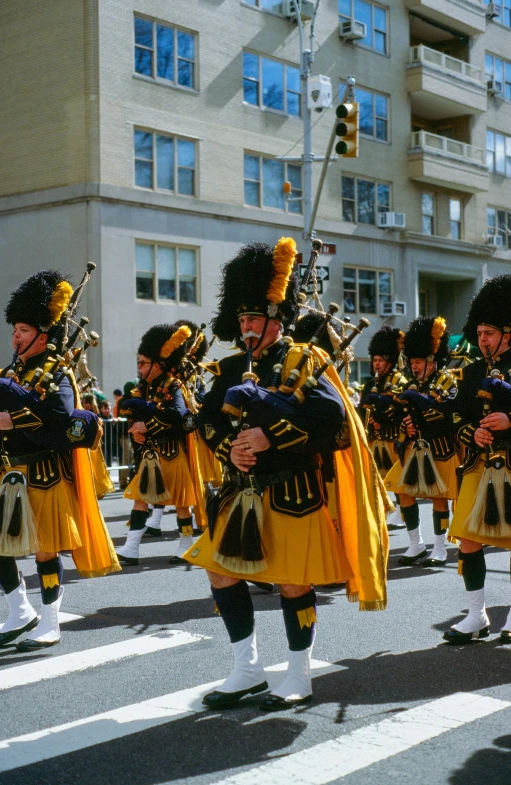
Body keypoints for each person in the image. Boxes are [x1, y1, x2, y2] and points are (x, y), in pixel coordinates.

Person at [183, 238, 389, 711]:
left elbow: (330, 421)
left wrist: (269, 437)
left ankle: (298, 674)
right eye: (242, 319)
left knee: (293, 584)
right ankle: (247, 669)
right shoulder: (231, 366)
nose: (247, 326)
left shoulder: (304, 360)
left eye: (255, 318)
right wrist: (230, 448)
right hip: (239, 492)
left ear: (277, 319)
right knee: (220, 574)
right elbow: (207, 419)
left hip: (293, 491)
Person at [0, 270, 120, 650]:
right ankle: (20, 612)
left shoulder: (58, 374)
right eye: (15, 329)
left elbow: (61, 417)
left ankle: (49, 622)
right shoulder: (14, 370)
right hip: (10, 469)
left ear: (43, 337)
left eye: (24, 329)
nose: (16, 336)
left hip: (44, 473)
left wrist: (12, 417)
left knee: (46, 550)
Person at [443, 275, 511, 643]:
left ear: (508, 333)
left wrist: (509, 421)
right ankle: (476, 614)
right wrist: (474, 433)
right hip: (478, 465)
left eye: (489, 333)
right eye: (480, 332)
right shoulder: (470, 373)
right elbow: (457, 415)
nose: (482, 339)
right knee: (468, 539)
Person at [116, 322, 205, 565]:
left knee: (180, 504)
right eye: (138, 362)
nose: (139, 367)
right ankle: (131, 548)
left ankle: (186, 546)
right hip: (150, 453)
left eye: (143, 363)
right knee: (140, 498)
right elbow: (139, 415)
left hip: (170, 452)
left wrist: (148, 426)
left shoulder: (172, 385)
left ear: (157, 364)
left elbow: (177, 414)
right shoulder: (144, 388)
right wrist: (136, 430)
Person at [384, 317, 460, 566]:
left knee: (438, 497)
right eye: (412, 361)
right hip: (412, 448)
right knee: (402, 491)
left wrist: (418, 408)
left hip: (439, 448)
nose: (414, 366)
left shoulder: (446, 380)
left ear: (431, 361)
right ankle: (415, 544)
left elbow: (444, 417)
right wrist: (402, 421)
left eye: (418, 362)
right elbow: (395, 413)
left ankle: (439, 548)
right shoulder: (410, 383)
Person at [360, 326, 407, 530]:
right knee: (375, 477)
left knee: (395, 479)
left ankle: (401, 512)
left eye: (381, 360)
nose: (377, 364)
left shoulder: (399, 381)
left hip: (391, 436)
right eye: (375, 360)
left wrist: (382, 418)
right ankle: (382, 510)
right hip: (374, 438)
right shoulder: (369, 383)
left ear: (390, 361)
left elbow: (398, 408)